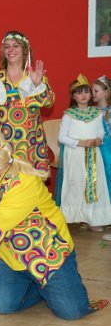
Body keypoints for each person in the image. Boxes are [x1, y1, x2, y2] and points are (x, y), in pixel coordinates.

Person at [0, 128, 108, 320]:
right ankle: (41, 286)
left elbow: (0, 218)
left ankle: (50, 285)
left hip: (45, 250)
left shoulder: (23, 181)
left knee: (72, 312)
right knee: (1, 306)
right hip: (10, 254)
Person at [55, 74, 111, 231]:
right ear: (73, 96)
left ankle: (94, 219)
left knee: (94, 185)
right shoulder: (69, 115)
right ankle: (71, 216)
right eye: (79, 92)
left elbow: (100, 131)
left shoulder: (96, 113)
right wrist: (80, 143)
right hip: (76, 155)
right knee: (76, 185)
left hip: (94, 155)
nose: (84, 95)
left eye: (87, 91)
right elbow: (62, 137)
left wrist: (99, 139)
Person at [0, 31, 54, 171]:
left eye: (15, 46)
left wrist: (37, 85)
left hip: (30, 141)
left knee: (30, 187)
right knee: (4, 187)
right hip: (2, 142)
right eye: (7, 47)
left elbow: (49, 101)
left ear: (25, 50)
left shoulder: (34, 76)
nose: (11, 50)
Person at [94, 75, 111, 241]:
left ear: (106, 93)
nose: (92, 94)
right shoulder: (93, 112)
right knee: (102, 183)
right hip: (98, 152)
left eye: (96, 91)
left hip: (108, 151)